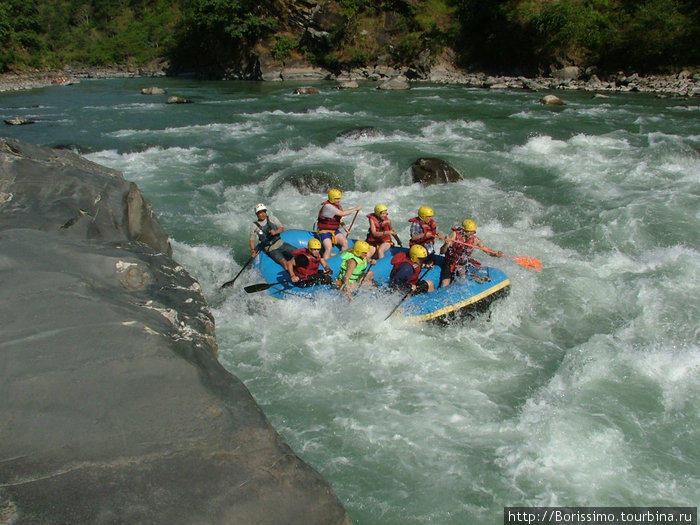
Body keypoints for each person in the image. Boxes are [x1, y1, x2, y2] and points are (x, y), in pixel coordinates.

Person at [439, 218, 503, 287]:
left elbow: (486, 250)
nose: (470, 234)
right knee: (445, 283)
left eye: (473, 232)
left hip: (462, 264)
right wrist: (446, 244)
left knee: (462, 279)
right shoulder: (454, 235)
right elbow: (442, 251)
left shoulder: (475, 239)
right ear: (463, 230)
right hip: (449, 263)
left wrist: (496, 254)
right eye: (468, 232)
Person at [317, 188, 362, 259]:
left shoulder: (337, 206)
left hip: (334, 231)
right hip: (324, 231)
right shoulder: (327, 207)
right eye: (337, 199)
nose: (339, 200)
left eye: (339, 198)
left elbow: (339, 219)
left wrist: (345, 229)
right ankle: (325, 265)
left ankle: (339, 261)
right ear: (332, 198)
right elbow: (342, 213)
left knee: (345, 243)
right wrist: (355, 208)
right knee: (328, 248)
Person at [249, 203, 297, 269]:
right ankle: (293, 275)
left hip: (280, 243)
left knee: (298, 253)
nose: (263, 214)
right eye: (260, 212)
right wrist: (253, 251)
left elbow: (281, 228)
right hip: (271, 249)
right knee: (284, 262)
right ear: (257, 214)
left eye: (264, 212)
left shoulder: (272, 218)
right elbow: (252, 240)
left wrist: (275, 232)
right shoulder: (254, 226)